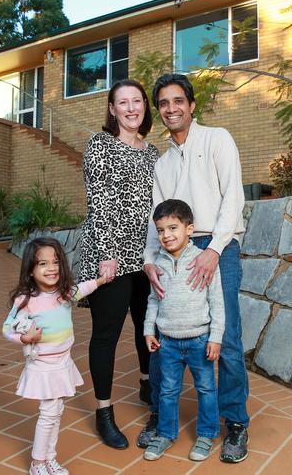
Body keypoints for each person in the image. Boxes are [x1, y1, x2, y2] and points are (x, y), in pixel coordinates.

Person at [138, 73, 250, 463]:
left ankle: (234, 422)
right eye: (164, 103)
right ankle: (159, 414)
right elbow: (157, 218)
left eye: (177, 101)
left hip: (216, 245)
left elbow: (232, 198)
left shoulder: (217, 138)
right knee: (165, 331)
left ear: (191, 104)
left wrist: (214, 249)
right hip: (173, 249)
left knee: (227, 336)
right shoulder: (162, 163)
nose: (171, 108)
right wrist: (151, 261)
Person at [77, 79, 159, 449]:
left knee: (148, 326)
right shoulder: (101, 144)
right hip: (109, 256)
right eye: (122, 102)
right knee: (106, 335)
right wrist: (107, 253)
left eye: (137, 101)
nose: (131, 108)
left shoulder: (153, 152)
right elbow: (100, 201)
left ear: (145, 106)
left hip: (146, 256)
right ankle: (104, 412)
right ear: (112, 109)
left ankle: (147, 385)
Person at [2, 237, 108, 475]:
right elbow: (7, 328)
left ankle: (49, 458)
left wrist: (101, 280)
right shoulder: (27, 300)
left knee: (56, 412)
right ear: (30, 270)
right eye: (43, 264)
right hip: (44, 366)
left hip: (63, 363)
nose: (51, 268)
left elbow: (83, 289)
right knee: (49, 414)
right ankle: (37, 463)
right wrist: (24, 338)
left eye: (56, 262)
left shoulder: (64, 294)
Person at [142, 199, 224, 462]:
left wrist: (216, 337)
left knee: (206, 390)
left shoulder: (204, 260)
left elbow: (217, 302)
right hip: (168, 342)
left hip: (200, 340)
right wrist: (148, 330)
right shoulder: (158, 264)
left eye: (173, 228)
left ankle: (206, 434)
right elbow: (154, 299)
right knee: (167, 391)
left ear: (190, 229)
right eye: (161, 230)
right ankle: (165, 434)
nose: (167, 235)